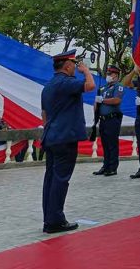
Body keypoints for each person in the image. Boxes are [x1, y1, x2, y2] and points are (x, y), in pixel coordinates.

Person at [41, 49, 95, 233]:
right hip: (65, 137)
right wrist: (86, 71)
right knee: (61, 179)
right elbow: (90, 86)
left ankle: (48, 218)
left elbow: (44, 114)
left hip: (51, 136)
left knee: (50, 178)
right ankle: (55, 219)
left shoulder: (48, 86)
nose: (75, 67)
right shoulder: (66, 82)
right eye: (74, 64)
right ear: (67, 65)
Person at [93, 65, 124, 176]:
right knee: (105, 144)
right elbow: (97, 102)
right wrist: (96, 105)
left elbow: (117, 100)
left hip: (112, 119)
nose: (108, 76)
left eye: (110, 74)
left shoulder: (118, 86)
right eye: (108, 74)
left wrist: (103, 100)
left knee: (112, 144)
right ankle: (105, 166)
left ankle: (112, 167)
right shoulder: (103, 88)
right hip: (103, 120)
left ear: (116, 75)